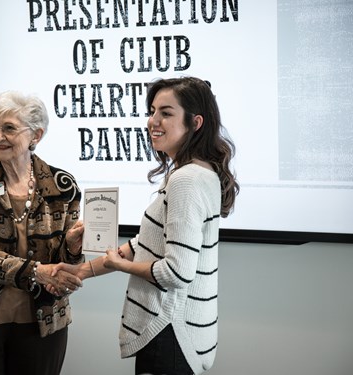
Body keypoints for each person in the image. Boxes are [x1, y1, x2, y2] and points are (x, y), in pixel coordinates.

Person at [52, 77, 239, 375]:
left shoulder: (186, 180)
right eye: (152, 111)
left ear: (195, 122)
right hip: (176, 334)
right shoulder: (195, 173)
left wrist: (122, 266)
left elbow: (176, 272)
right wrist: (82, 271)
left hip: (170, 334)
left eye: (166, 113)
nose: (153, 121)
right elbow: (146, 245)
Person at [0, 91, 85, 375]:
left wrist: (72, 248)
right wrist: (36, 272)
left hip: (43, 322)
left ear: (36, 135)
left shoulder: (63, 185)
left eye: (8, 128)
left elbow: (63, 263)